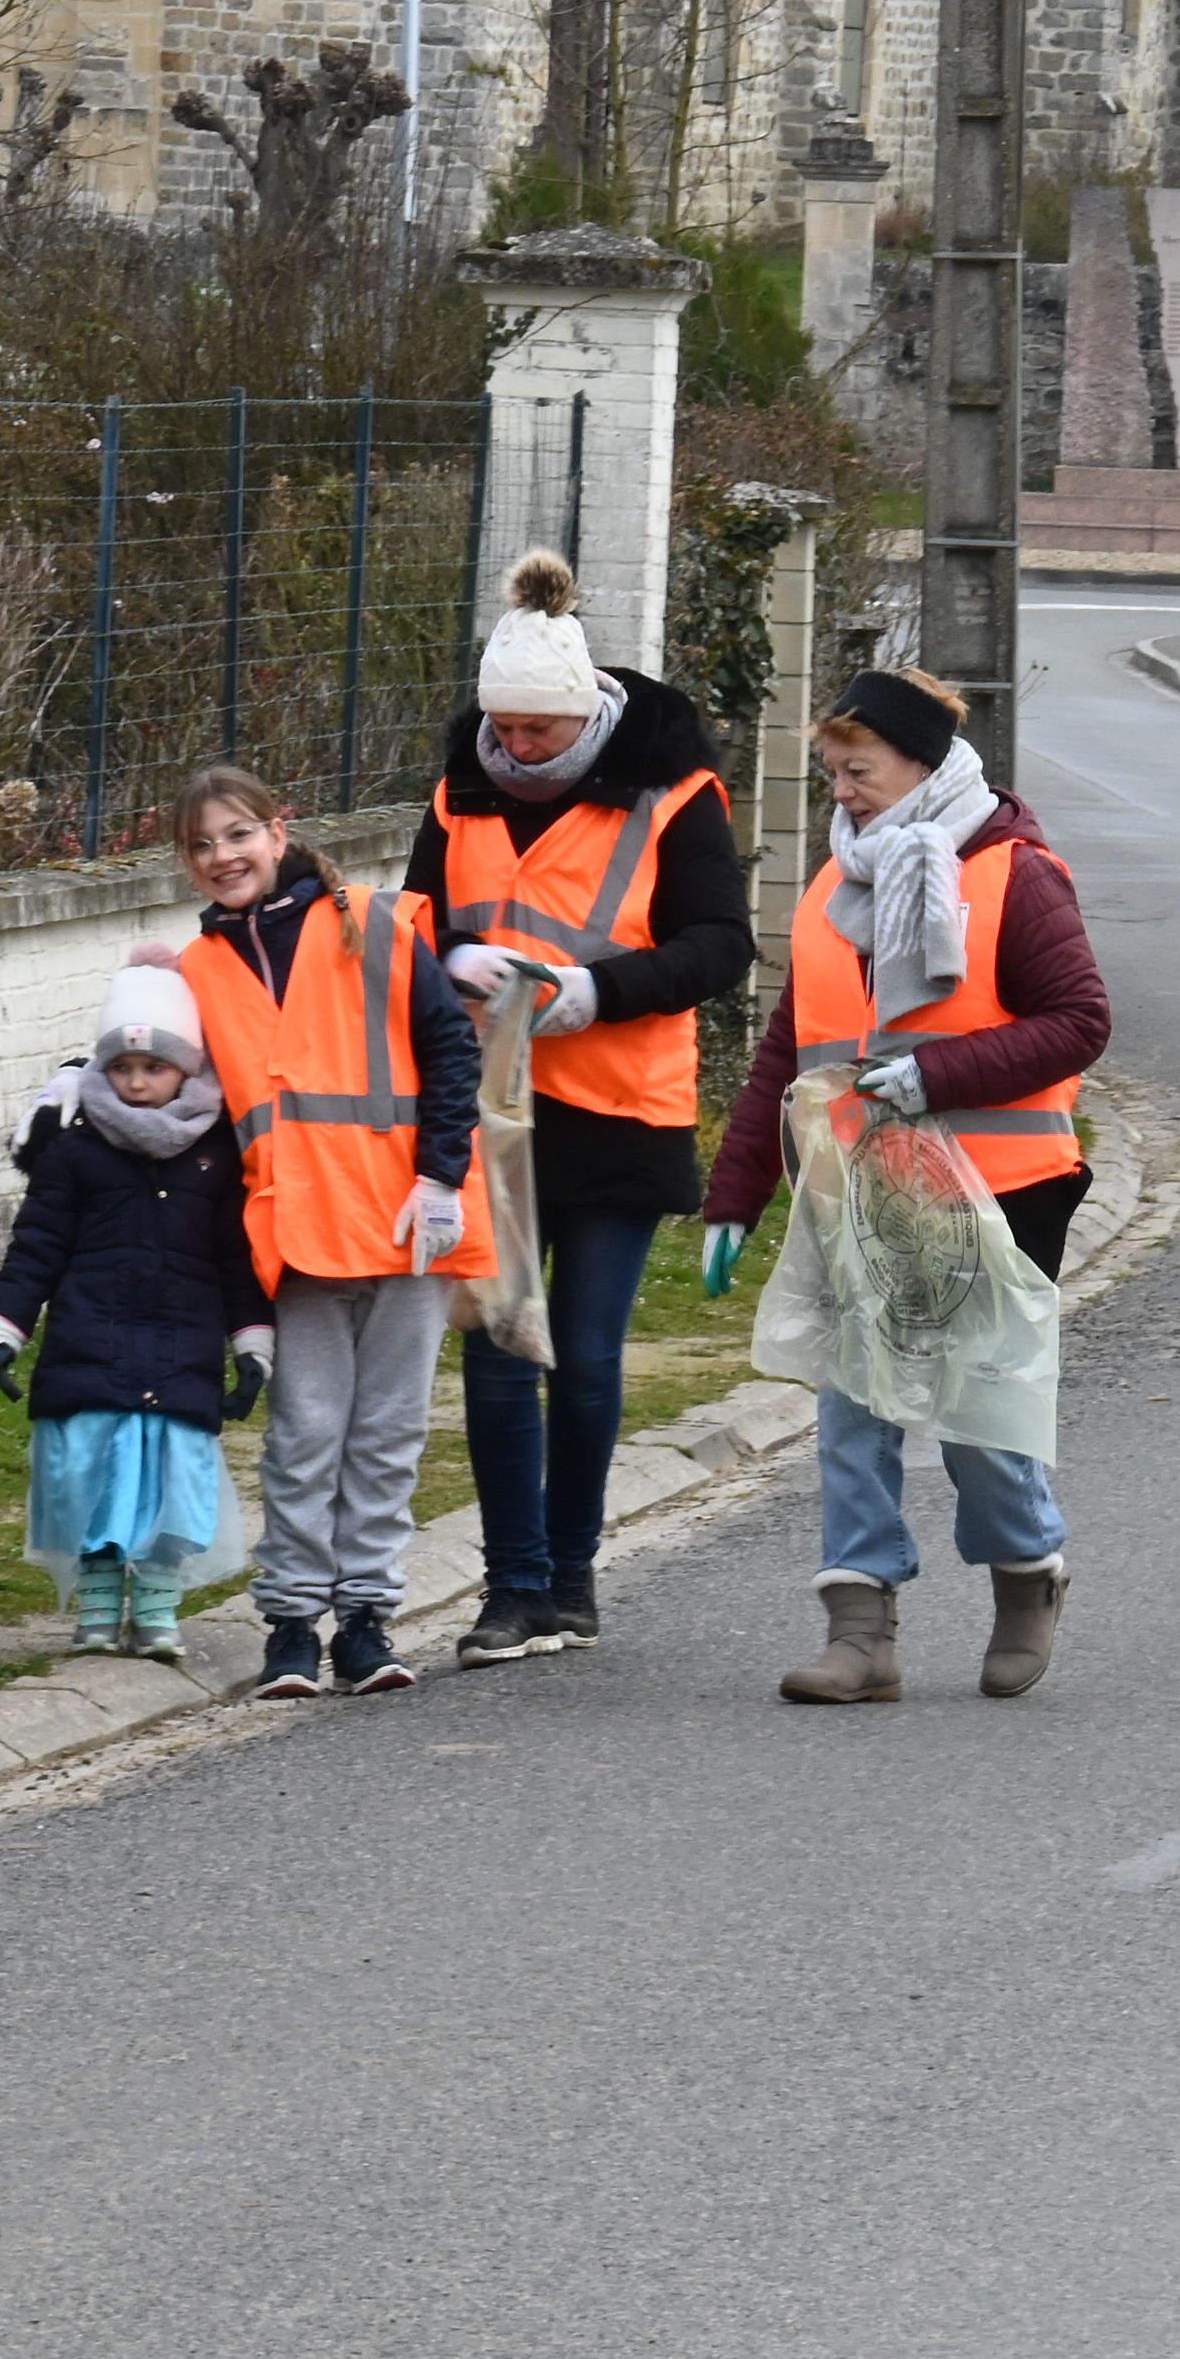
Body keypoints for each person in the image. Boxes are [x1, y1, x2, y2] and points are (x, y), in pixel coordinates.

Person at [700, 666, 1110, 1705]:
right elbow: (788, 1055)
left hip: (1001, 1188)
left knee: (975, 1418)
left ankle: (1027, 1572)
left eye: (858, 768)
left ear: (920, 765)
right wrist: (735, 1195)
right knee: (853, 1409)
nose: (839, 789)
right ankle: (861, 1626)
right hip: (863, 1190)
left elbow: (1078, 1022)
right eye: (830, 772)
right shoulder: (834, 891)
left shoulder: (1016, 875)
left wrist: (933, 1075)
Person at [404, 545, 754, 1669]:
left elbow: (720, 947)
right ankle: (508, 1591)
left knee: (589, 1354)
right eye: (500, 729)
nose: (514, 749)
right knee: (501, 1346)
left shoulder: (675, 792)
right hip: (489, 1111)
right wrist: (446, 968)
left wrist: (592, 993)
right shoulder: (460, 787)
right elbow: (419, 921)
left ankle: (571, 1572)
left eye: (537, 733)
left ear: (584, 713)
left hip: (620, 1103)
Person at [168, 764, 488, 1699]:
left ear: (279, 831)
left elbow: (448, 1046)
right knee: (306, 1433)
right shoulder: (197, 969)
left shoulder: (370, 924)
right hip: (297, 1227)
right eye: (200, 845)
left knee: (385, 1432)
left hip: (401, 1219)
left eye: (236, 835)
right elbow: (168, 1077)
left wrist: (440, 1175)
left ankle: (366, 1620)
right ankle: (292, 1624)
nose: (221, 857)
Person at [0, 950, 273, 1662]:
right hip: (91, 1348)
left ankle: (159, 1611)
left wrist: (251, 1343)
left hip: (181, 1357)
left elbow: (238, 1259)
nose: (137, 1082)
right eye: (122, 1068)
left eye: (155, 1067)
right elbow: (37, 1247)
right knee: (94, 1485)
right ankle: (100, 1610)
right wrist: (5, 1328)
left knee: (171, 1493)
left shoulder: (216, 1156)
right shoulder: (76, 1153)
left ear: (188, 1070)